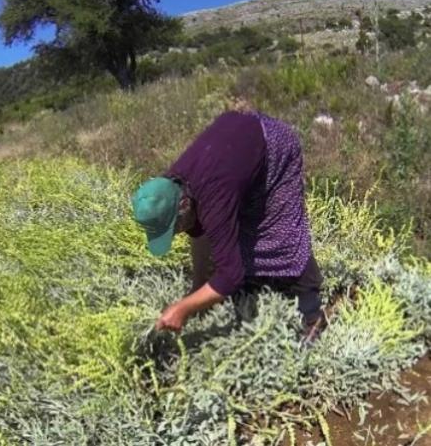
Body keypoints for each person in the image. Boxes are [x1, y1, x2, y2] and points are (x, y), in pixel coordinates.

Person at [131, 109, 327, 342]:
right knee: (232, 230)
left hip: (275, 146)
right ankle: (253, 281)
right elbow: (201, 233)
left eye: (174, 228)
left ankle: (313, 313)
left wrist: (184, 308)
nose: (176, 234)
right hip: (237, 145)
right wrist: (198, 289)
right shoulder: (172, 186)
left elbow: (230, 276)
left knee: (280, 232)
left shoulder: (213, 194)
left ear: (183, 204)